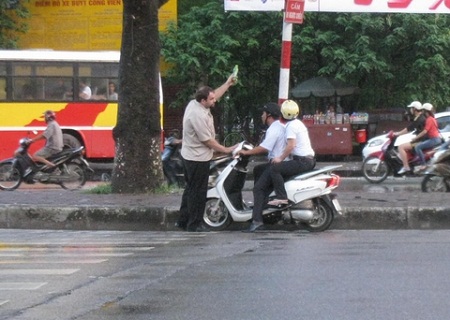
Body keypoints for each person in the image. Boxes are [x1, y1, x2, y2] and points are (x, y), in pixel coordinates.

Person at [175, 75, 237, 232]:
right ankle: (194, 224)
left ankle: (183, 220)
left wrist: (227, 83)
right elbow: (208, 141)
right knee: (198, 192)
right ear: (203, 101)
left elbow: (215, 94)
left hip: (191, 155)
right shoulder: (197, 115)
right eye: (211, 99)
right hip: (197, 158)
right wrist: (227, 150)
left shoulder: (195, 104)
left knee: (190, 189)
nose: (214, 101)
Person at [238, 102, 286, 232]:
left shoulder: (274, 129)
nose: (261, 116)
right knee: (258, 170)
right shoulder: (278, 127)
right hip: (276, 163)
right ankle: (262, 207)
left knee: (258, 189)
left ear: (269, 115)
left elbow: (264, 148)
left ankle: (257, 221)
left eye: (263, 113)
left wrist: (246, 152)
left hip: (277, 164)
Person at [266, 100, 316, 207]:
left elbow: (291, 145)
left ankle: (281, 198)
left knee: (275, 168)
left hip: (302, 161)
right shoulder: (298, 123)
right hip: (308, 160)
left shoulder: (291, 126)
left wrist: (280, 158)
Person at [396, 101, 426, 174]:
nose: (410, 110)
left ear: (415, 109)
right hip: (419, 139)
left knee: (401, 147)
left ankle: (406, 167)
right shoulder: (420, 117)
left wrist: (398, 133)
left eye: (411, 108)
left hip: (420, 141)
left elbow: (409, 128)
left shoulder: (419, 119)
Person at [411, 103, 442, 171]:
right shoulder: (432, 118)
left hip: (434, 139)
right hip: (436, 139)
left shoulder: (429, 119)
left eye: (423, 111)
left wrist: (415, 138)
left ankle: (423, 164)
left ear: (426, 112)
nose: (422, 112)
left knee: (417, 147)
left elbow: (425, 131)